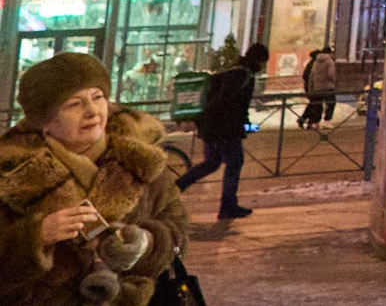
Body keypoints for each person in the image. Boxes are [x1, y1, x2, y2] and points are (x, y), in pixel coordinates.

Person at [0, 51, 187, 306]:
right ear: (45, 122)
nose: (91, 111)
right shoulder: (10, 171)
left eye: (97, 97)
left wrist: (146, 242)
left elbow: (177, 228)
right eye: (73, 104)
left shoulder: (141, 160)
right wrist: (36, 237)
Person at [174, 42, 264, 219]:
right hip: (225, 128)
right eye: (263, 62)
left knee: (212, 162)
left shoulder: (231, 71)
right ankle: (228, 206)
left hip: (210, 125)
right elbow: (237, 106)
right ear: (258, 60)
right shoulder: (244, 76)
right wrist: (244, 124)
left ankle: (176, 186)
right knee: (234, 163)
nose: (262, 66)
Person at [299, 47, 338, 129]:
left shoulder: (316, 61)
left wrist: (311, 86)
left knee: (315, 105)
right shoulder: (329, 61)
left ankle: (311, 122)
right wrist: (334, 81)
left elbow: (310, 75)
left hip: (315, 87)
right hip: (327, 86)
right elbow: (331, 75)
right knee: (330, 103)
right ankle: (325, 121)